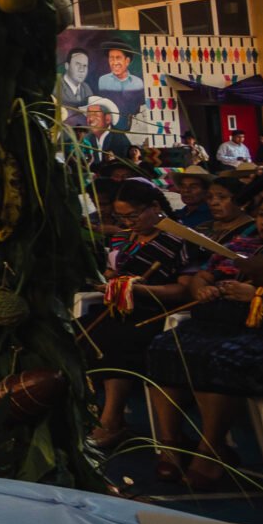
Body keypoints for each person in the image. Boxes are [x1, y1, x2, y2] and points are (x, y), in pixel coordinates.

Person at [147, 185, 263, 486]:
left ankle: (210, 449)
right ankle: (171, 444)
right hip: (214, 321)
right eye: (262, 215)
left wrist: (257, 294)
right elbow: (202, 274)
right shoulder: (243, 243)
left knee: (216, 357)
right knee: (163, 348)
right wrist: (203, 288)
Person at [87, 178, 194, 449]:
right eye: (121, 217)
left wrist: (140, 289)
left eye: (133, 215)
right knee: (80, 330)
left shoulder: (178, 239)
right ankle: (94, 412)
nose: (127, 222)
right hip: (119, 307)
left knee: (117, 338)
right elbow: (111, 271)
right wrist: (110, 279)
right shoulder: (123, 238)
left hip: (157, 312)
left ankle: (112, 420)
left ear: (155, 207)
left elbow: (183, 291)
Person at [96, 44, 147, 128]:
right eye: (111, 58)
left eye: (118, 58)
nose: (114, 62)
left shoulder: (138, 82)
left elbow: (141, 110)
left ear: (127, 61)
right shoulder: (103, 81)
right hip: (110, 128)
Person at [170, 166, 214, 230]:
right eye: (183, 186)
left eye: (193, 187)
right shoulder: (178, 214)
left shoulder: (212, 214)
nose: (186, 190)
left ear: (206, 190)